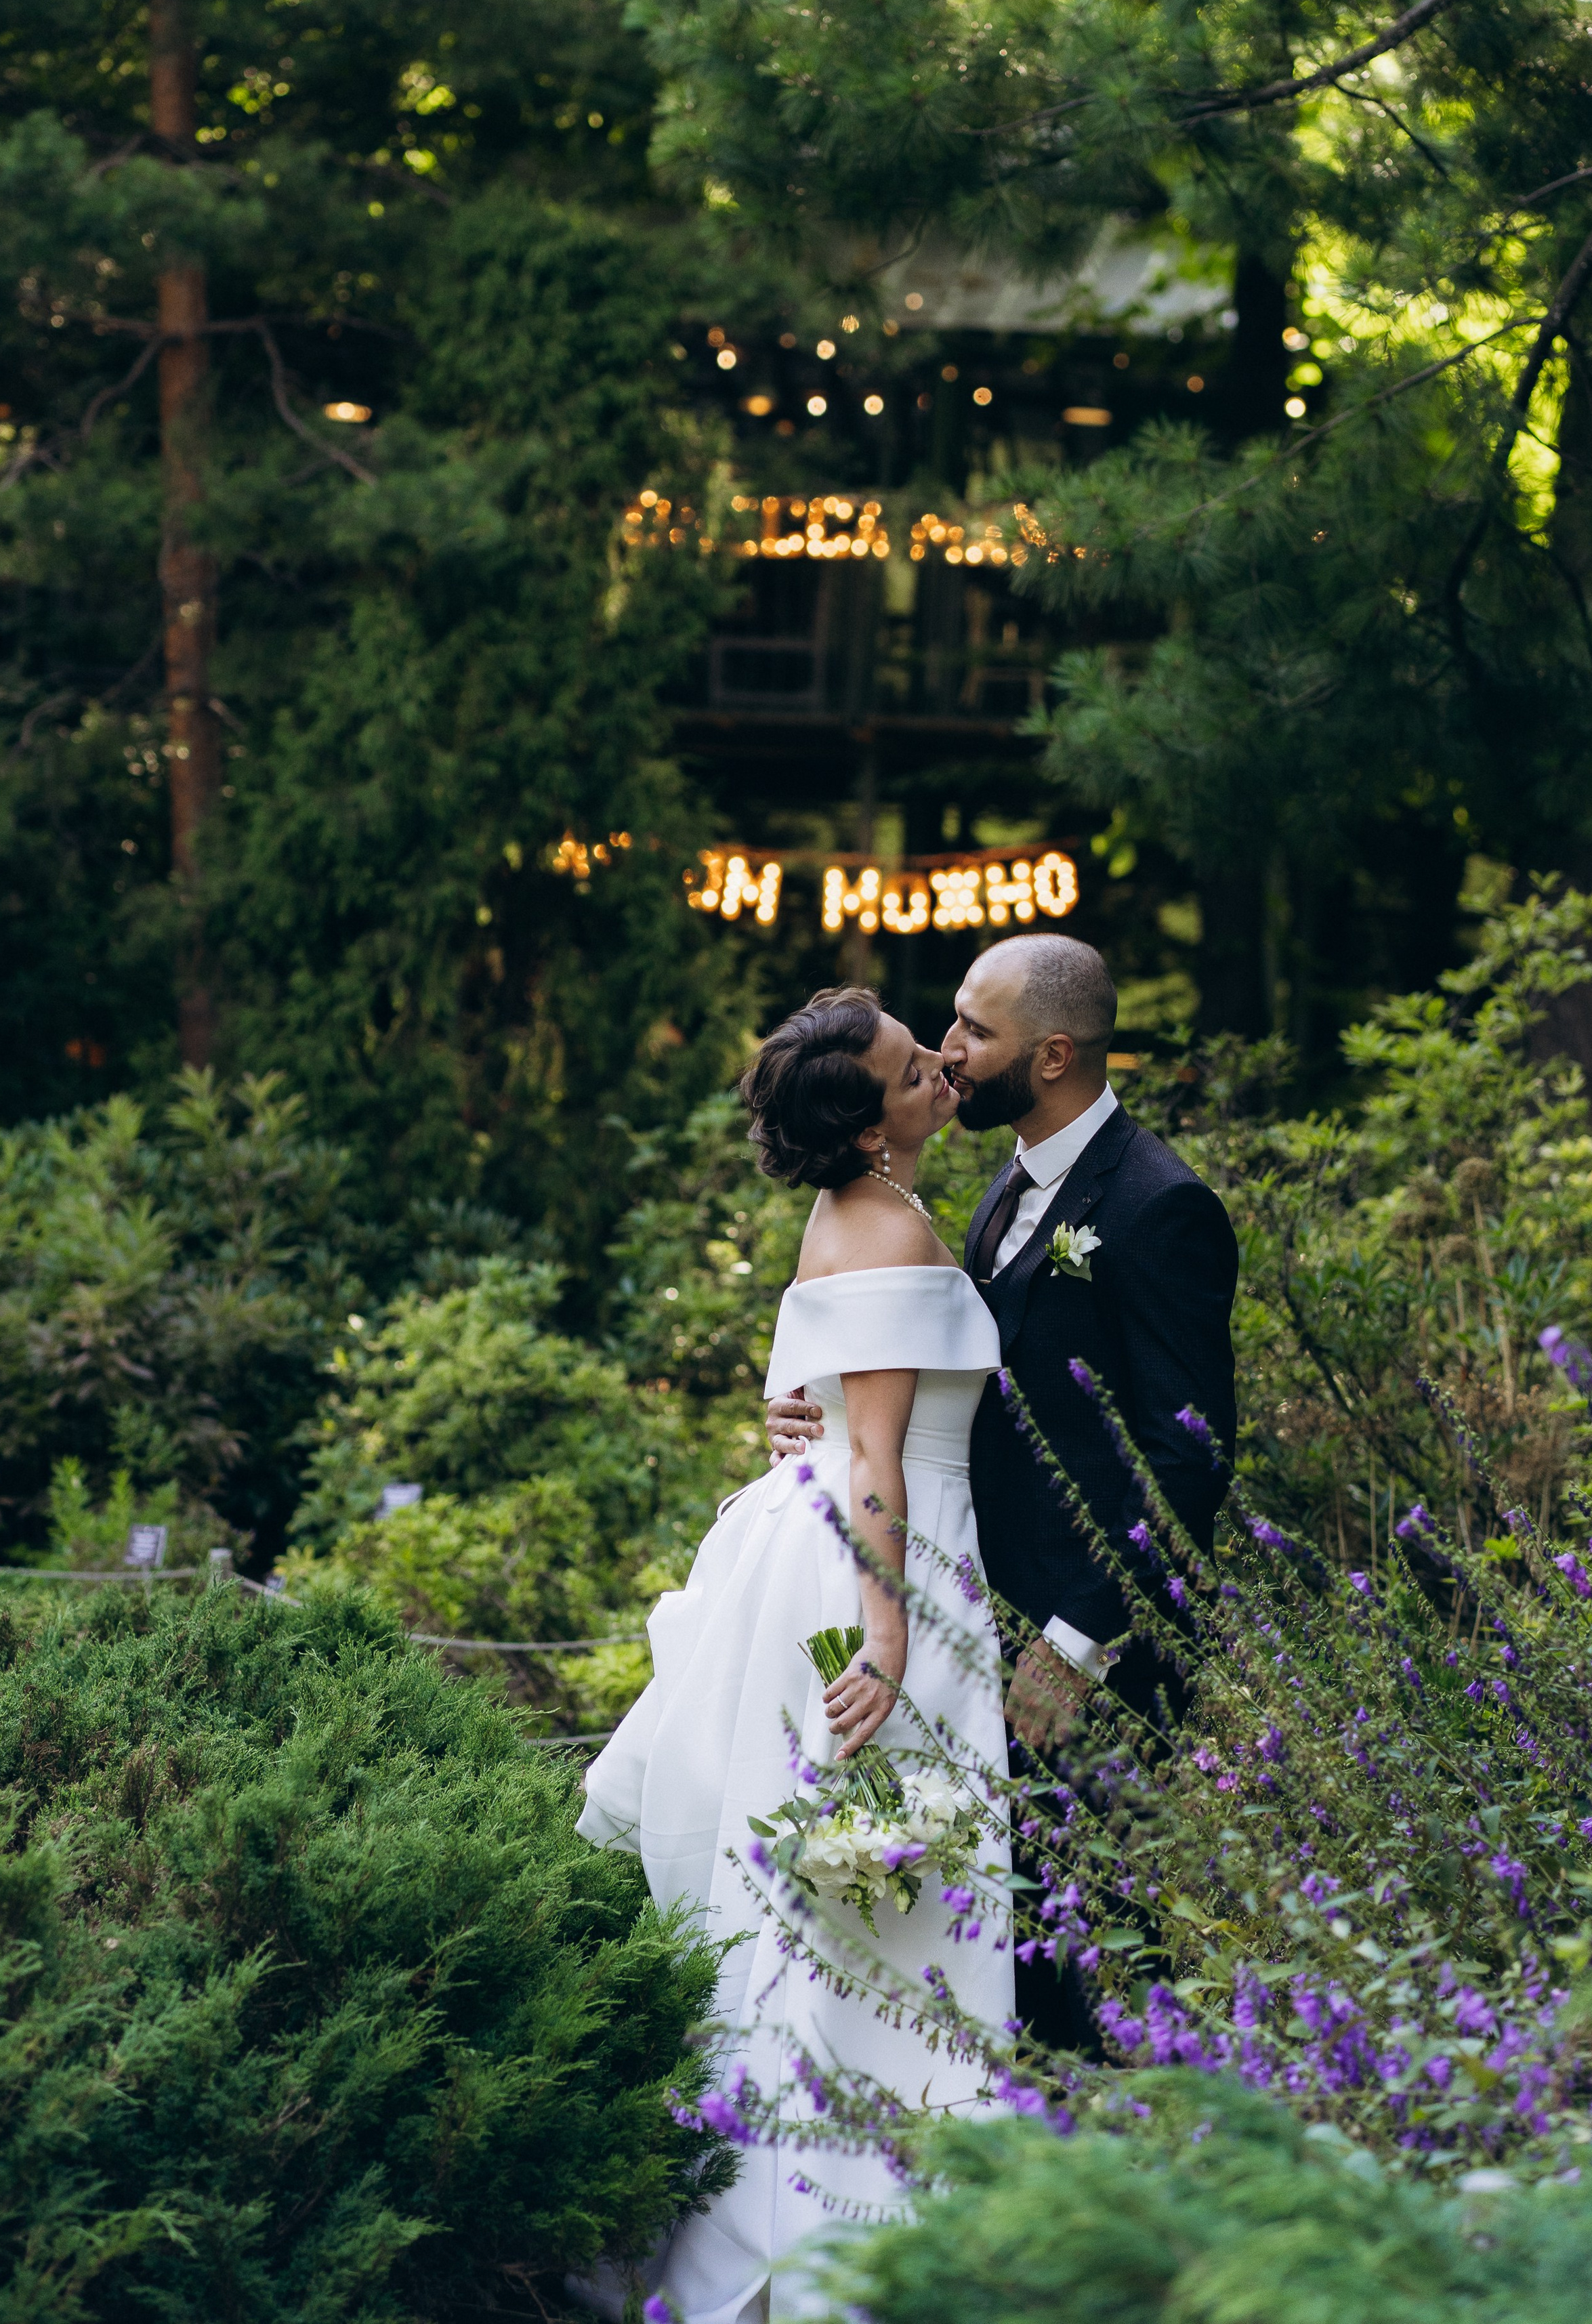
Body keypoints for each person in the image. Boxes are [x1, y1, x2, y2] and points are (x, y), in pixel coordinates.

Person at [577, 987, 1013, 2324]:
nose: (937, 1069)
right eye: (910, 1068)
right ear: (869, 1126)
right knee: (875, 1904)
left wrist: (797, 1423)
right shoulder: (885, 1226)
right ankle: (845, 2238)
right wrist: (888, 1637)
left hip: (841, 1544)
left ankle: (842, 2215)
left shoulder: (866, 1209)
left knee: (852, 1895)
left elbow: (830, 1406)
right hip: (883, 1568)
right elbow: (874, 1455)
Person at [767, 936, 1238, 2040]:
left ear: (1054, 1055)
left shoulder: (1160, 1205)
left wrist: (1078, 1643)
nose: (950, 1050)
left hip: (1085, 1647)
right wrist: (813, 1411)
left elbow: (1189, 1457)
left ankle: (1121, 2145)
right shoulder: (998, 1188)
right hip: (975, 1617)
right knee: (991, 1949)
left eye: (976, 1032)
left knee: (1095, 1955)